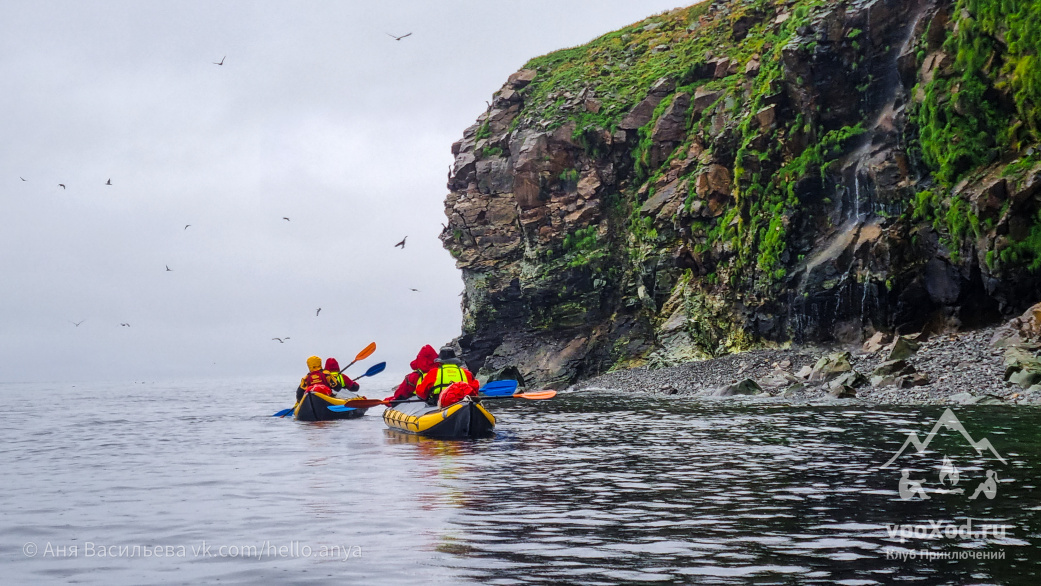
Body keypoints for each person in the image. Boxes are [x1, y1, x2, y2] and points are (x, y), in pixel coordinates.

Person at [415, 346, 479, 406]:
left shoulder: (433, 373)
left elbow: (421, 393)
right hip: (463, 403)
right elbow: (475, 390)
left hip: (439, 404)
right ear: (455, 361)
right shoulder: (466, 373)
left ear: (440, 362)